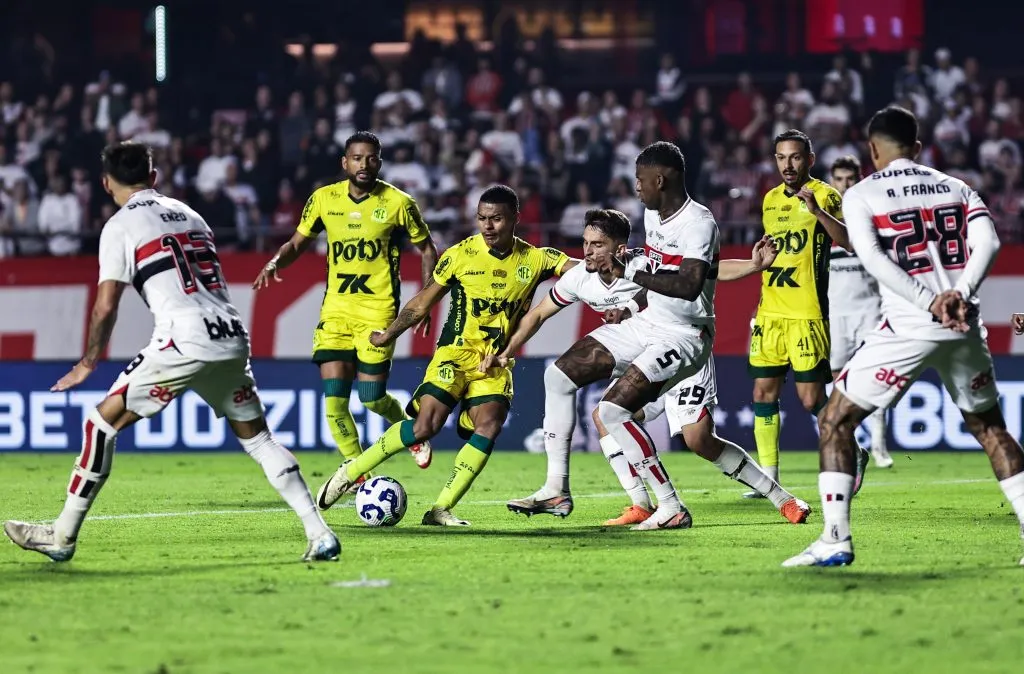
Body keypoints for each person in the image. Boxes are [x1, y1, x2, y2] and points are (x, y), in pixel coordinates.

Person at [3, 142, 340, 563]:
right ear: (154, 177)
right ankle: (319, 533)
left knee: (100, 426)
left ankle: (62, 536)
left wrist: (88, 361)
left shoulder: (120, 225)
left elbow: (106, 305)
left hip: (183, 338)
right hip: (231, 333)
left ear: (106, 183)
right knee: (259, 439)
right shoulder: (192, 215)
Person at [784, 106, 1024, 568]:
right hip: (962, 325)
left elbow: (872, 258)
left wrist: (929, 300)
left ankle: (835, 539)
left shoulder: (863, 193)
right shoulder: (957, 186)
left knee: (835, 421)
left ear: (872, 150)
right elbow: (990, 243)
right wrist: (958, 294)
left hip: (907, 326)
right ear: (917, 147)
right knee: (991, 429)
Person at [487, 209, 811, 527]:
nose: (587, 251)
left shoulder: (643, 265)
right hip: (642, 357)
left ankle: (782, 498)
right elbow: (538, 313)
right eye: (585, 243)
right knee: (600, 411)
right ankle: (633, 502)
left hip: (679, 352)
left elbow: (704, 273)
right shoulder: (579, 278)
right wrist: (506, 351)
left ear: (619, 249)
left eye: (597, 244)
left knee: (700, 441)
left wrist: (753, 265)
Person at [314, 185, 577, 526]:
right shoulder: (460, 255)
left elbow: (582, 269)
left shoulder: (537, 258)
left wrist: (614, 264)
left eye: (496, 219)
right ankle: (350, 472)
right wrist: (389, 334)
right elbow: (422, 302)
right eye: (482, 218)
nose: (488, 226)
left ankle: (440, 509)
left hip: (494, 362)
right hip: (454, 355)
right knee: (425, 426)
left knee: (490, 425)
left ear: (515, 218)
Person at [253, 131, 438, 471]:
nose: (364, 164)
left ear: (379, 162)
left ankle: (413, 432)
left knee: (371, 399)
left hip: (378, 311)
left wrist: (425, 298)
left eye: (371, 158)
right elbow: (297, 243)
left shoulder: (399, 203)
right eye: (357, 158)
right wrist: (275, 261)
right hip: (336, 311)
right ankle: (357, 471)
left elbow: (427, 248)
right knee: (334, 404)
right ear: (345, 162)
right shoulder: (324, 199)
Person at [747, 129, 866, 495]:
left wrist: (817, 212)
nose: (788, 165)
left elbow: (850, 241)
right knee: (763, 393)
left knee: (811, 399)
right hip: (771, 312)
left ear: (810, 160)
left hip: (806, 314)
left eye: (796, 157)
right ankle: (769, 480)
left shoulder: (826, 195)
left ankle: (853, 448)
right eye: (781, 157)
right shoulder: (769, 199)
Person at [827, 155, 892, 469]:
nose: (844, 185)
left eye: (850, 179)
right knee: (836, 380)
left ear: (859, 179)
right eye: (839, 179)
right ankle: (848, 442)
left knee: (874, 377)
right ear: (831, 181)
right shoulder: (822, 221)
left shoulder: (870, 215)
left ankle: (878, 445)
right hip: (835, 314)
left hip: (869, 310)